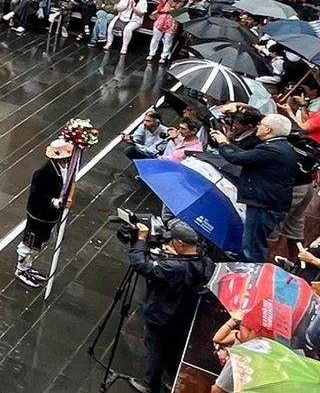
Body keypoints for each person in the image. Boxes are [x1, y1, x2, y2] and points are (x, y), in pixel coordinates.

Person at [128, 218, 212, 393]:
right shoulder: (204, 261)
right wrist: (175, 256)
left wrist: (141, 239)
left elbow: (140, 264)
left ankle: (150, 384)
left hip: (162, 315)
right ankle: (172, 379)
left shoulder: (173, 267)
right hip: (185, 315)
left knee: (155, 348)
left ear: (180, 244)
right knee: (174, 348)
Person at [210, 113, 298, 260]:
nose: (258, 127)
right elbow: (248, 155)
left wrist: (223, 144)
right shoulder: (279, 146)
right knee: (252, 243)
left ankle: (253, 272)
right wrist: (227, 143)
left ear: (268, 129)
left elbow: (235, 158)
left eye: (261, 125)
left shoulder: (273, 150)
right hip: (266, 202)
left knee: (252, 248)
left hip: (264, 205)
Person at [15, 139, 72, 287]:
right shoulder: (44, 172)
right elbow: (37, 195)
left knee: (39, 242)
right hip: (39, 214)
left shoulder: (65, 168)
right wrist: (56, 202)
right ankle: (21, 269)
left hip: (50, 215)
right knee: (31, 242)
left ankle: (27, 267)